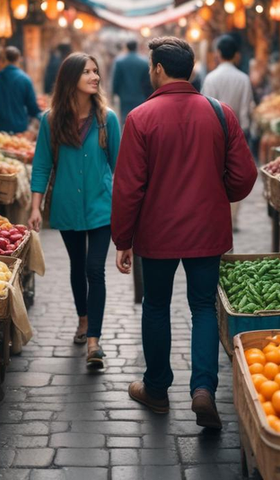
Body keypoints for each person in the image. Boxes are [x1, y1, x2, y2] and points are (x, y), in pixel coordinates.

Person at [112, 37, 257, 429]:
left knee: (156, 306)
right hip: (207, 231)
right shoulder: (219, 113)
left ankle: (157, 390)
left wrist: (122, 239)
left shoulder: (140, 118)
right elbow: (245, 175)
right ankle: (204, 390)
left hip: (156, 234)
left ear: (158, 69)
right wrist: (218, 195)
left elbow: (128, 188)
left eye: (150, 66)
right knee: (203, 307)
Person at [29, 53, 121, 369]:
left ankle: (93, 340)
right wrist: (35, 207)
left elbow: (120, 167)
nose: (95, 77)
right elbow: (41, 165)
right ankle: (83, 319)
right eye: (87, 72)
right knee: (77, 265)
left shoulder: (107, 119)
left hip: (101, 206)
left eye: (96, 71)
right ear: (71, 80)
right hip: (67, 205)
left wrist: (127, 210)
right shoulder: (51, 120)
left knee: (95, 269)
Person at [202, 34, 255, 231]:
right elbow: (246, 109)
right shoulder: (243, 78)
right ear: (236, 55)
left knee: (215, 176)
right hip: (238, 132)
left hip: (214, 135)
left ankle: (218, 215)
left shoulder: (211, 78)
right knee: (234, 175)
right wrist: (245, 131)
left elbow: (205, 108)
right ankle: (233, 218)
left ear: (218, 54)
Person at [0, 46, 41, 134]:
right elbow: (32, 108)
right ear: (19, 59)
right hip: (19, 130)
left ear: (4, 60)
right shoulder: (25, 79)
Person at [111, 39, 153, 125]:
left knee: (125, 120)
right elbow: (148, 81)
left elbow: (116, 80)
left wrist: (114, 93)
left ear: (127, 47)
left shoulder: (119, 61)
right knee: (140, 121)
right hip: (141, 96)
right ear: (136, 47)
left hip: (125, 97)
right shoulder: (144, 62)